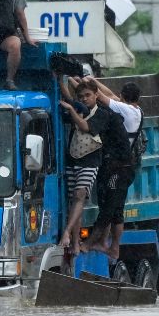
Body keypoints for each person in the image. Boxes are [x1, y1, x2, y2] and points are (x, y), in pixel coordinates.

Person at [73, 77, 141, 259]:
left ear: (122, 96)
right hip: (122, 166)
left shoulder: (120, 111)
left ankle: (91, 243)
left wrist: (78, 82)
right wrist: (89, 80)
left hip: (120, 167)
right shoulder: (133, 110)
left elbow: (102, 96)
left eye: (88, 95)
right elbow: (106, 94)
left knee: (109, 209)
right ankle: (112, 247)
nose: (85, 98)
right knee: (116, 211)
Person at [58, 80, 109, 255]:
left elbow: (86, 126)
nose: (85, 99)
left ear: (96, 95)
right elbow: (69, 98)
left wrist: (72, 110)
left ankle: (67, 232)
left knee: (80, 195)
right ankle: (75, 243)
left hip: (91, 161)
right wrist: (60, 79)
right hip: (73, 159)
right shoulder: (79, 108)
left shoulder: (102, 114)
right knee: (75, 201)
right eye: (81, 96)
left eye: (88, 95)